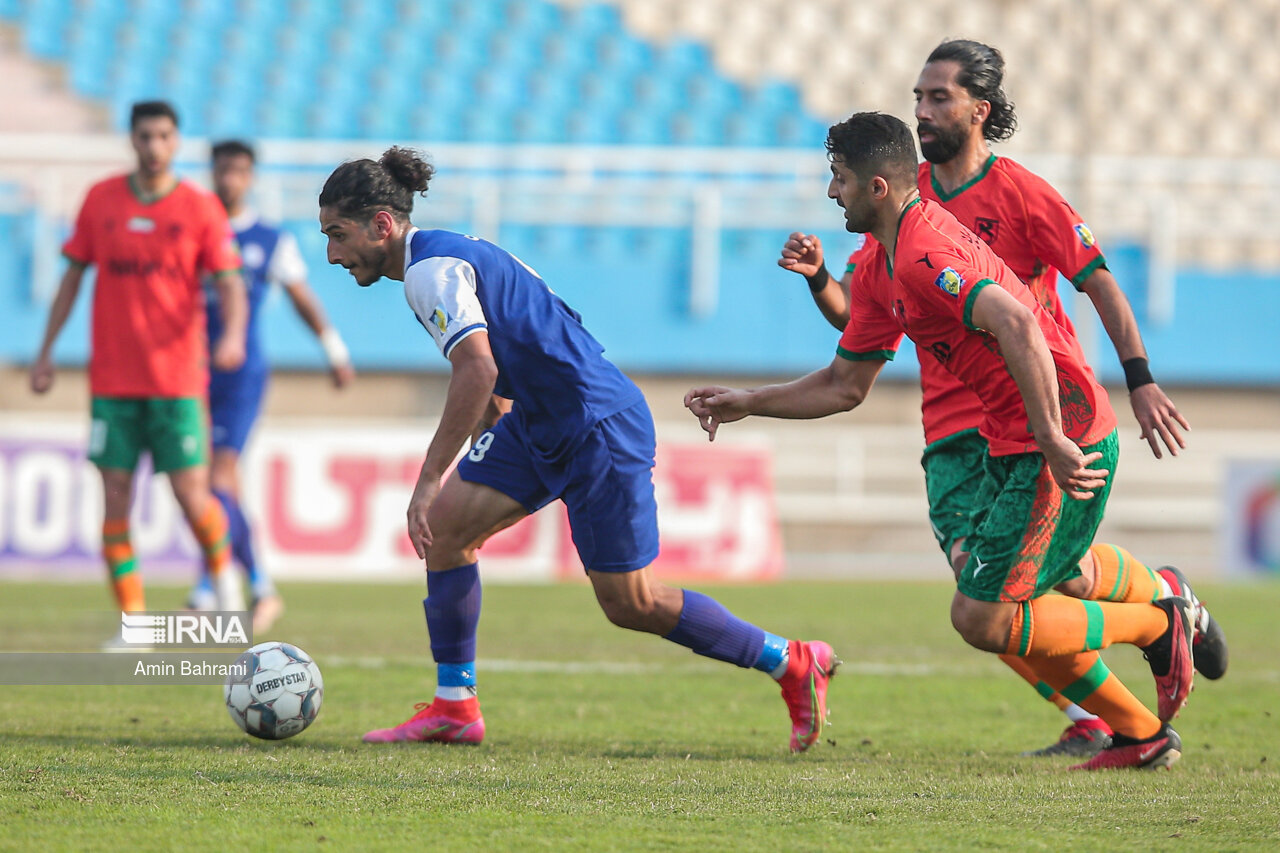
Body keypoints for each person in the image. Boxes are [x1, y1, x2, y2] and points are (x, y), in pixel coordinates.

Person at [688, 112, 1199, 771]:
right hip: (1010, 441)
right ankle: (1142, 733)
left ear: (876, 186)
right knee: (1050, 578)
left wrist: (1048, 433)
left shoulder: (927, 251)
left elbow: (1017, 320)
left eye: (837, 179)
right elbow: (846, 383)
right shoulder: (879, 265)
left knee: (982, 617)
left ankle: (1160, 624)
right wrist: (749, 404)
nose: (828, 193)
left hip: (1057, 436)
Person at [317, 147, 837, 751]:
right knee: (448, 532)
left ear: (382, 224)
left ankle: (793, 661)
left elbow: (477, 367)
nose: (332, 252)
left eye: (338, 233)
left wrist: (430, 475)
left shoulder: (429, 272)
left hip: (597, 426)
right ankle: (455, 708)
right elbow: (510, 346)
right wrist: (494, 421)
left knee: (631, 603)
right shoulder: (446, 255)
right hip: (541, 421)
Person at [28, 100, 247, 629]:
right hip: (113, 382)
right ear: (132, 140)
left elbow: (230, 281)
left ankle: (226, 583)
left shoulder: (199, 209)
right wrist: (46, 351)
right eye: (145, 136)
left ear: (176, 142)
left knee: (192, 498)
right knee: (116, 501)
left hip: (176, 382)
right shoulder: (100, 201)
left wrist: (234, 335)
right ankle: (135, 625)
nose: (154, 147)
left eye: (164, 136)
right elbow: (72, 278)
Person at [185, 139, 356, 633]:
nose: (229, 179)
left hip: (241, 373)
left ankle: (257, 586)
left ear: (251, 176)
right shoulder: (194, 230)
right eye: (222, 169)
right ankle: (212, 584)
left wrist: (334, 350)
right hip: (190, 372)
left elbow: (301, 296)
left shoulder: (268, 238)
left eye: (238, 170)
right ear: (212, 172)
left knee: (216, 480)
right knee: (205, 486)